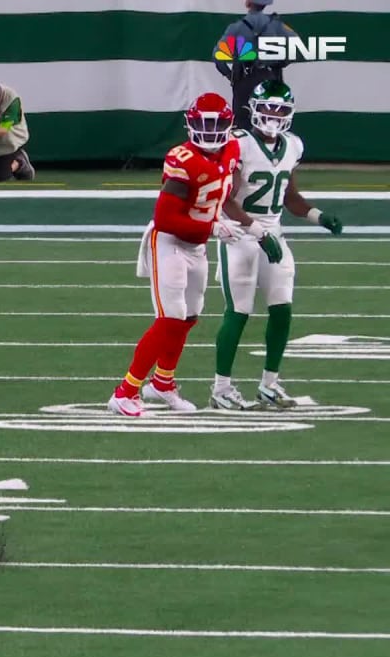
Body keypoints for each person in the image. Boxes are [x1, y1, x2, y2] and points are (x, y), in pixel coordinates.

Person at [108, 92, 277, 418]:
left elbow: (226, 199)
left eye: (217, 126)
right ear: (191, 125)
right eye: (205, 125)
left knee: (187, 318)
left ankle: (163, 383)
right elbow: (166, 218)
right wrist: (213, 229)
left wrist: (256, 230)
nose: (212, 133)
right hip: (171, 242)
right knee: (170, 318)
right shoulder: (181, 159)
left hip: (196, 244)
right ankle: (125, 391)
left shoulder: (230, 152)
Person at [210, 81, 344, 410]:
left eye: (279, 110)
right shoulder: (238, 144)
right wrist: (257, 232)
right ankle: (221, 389)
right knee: (238, 311)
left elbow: (290, 197)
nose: (272, 115)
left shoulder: (293, 146)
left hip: (273, 232)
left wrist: (318, 216)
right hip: (239, 233)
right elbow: (225, 201)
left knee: (282, 308)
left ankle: (270, 384)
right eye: (267, 108)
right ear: (253, 110)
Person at [214, 0, 297, 129]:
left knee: (243, 126)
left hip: (244, 81)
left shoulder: (236, 28)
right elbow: (296, 47)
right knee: (272, 123)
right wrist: (281, 63)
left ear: (248, 3)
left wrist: (230, 76)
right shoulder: (277, 26)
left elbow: (218, 57)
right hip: (271, 80)